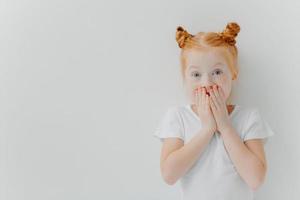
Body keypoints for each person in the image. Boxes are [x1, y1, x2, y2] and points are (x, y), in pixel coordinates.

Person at [153, 22, 275, 200]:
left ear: (233, 73)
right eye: (196, 75)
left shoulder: (248, 118)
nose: (207, 83)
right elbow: (169, 175)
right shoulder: (177, 117)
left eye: (217, 72)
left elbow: (256, 179)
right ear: (184, 78)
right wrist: (207, 129)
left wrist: (225, 127)